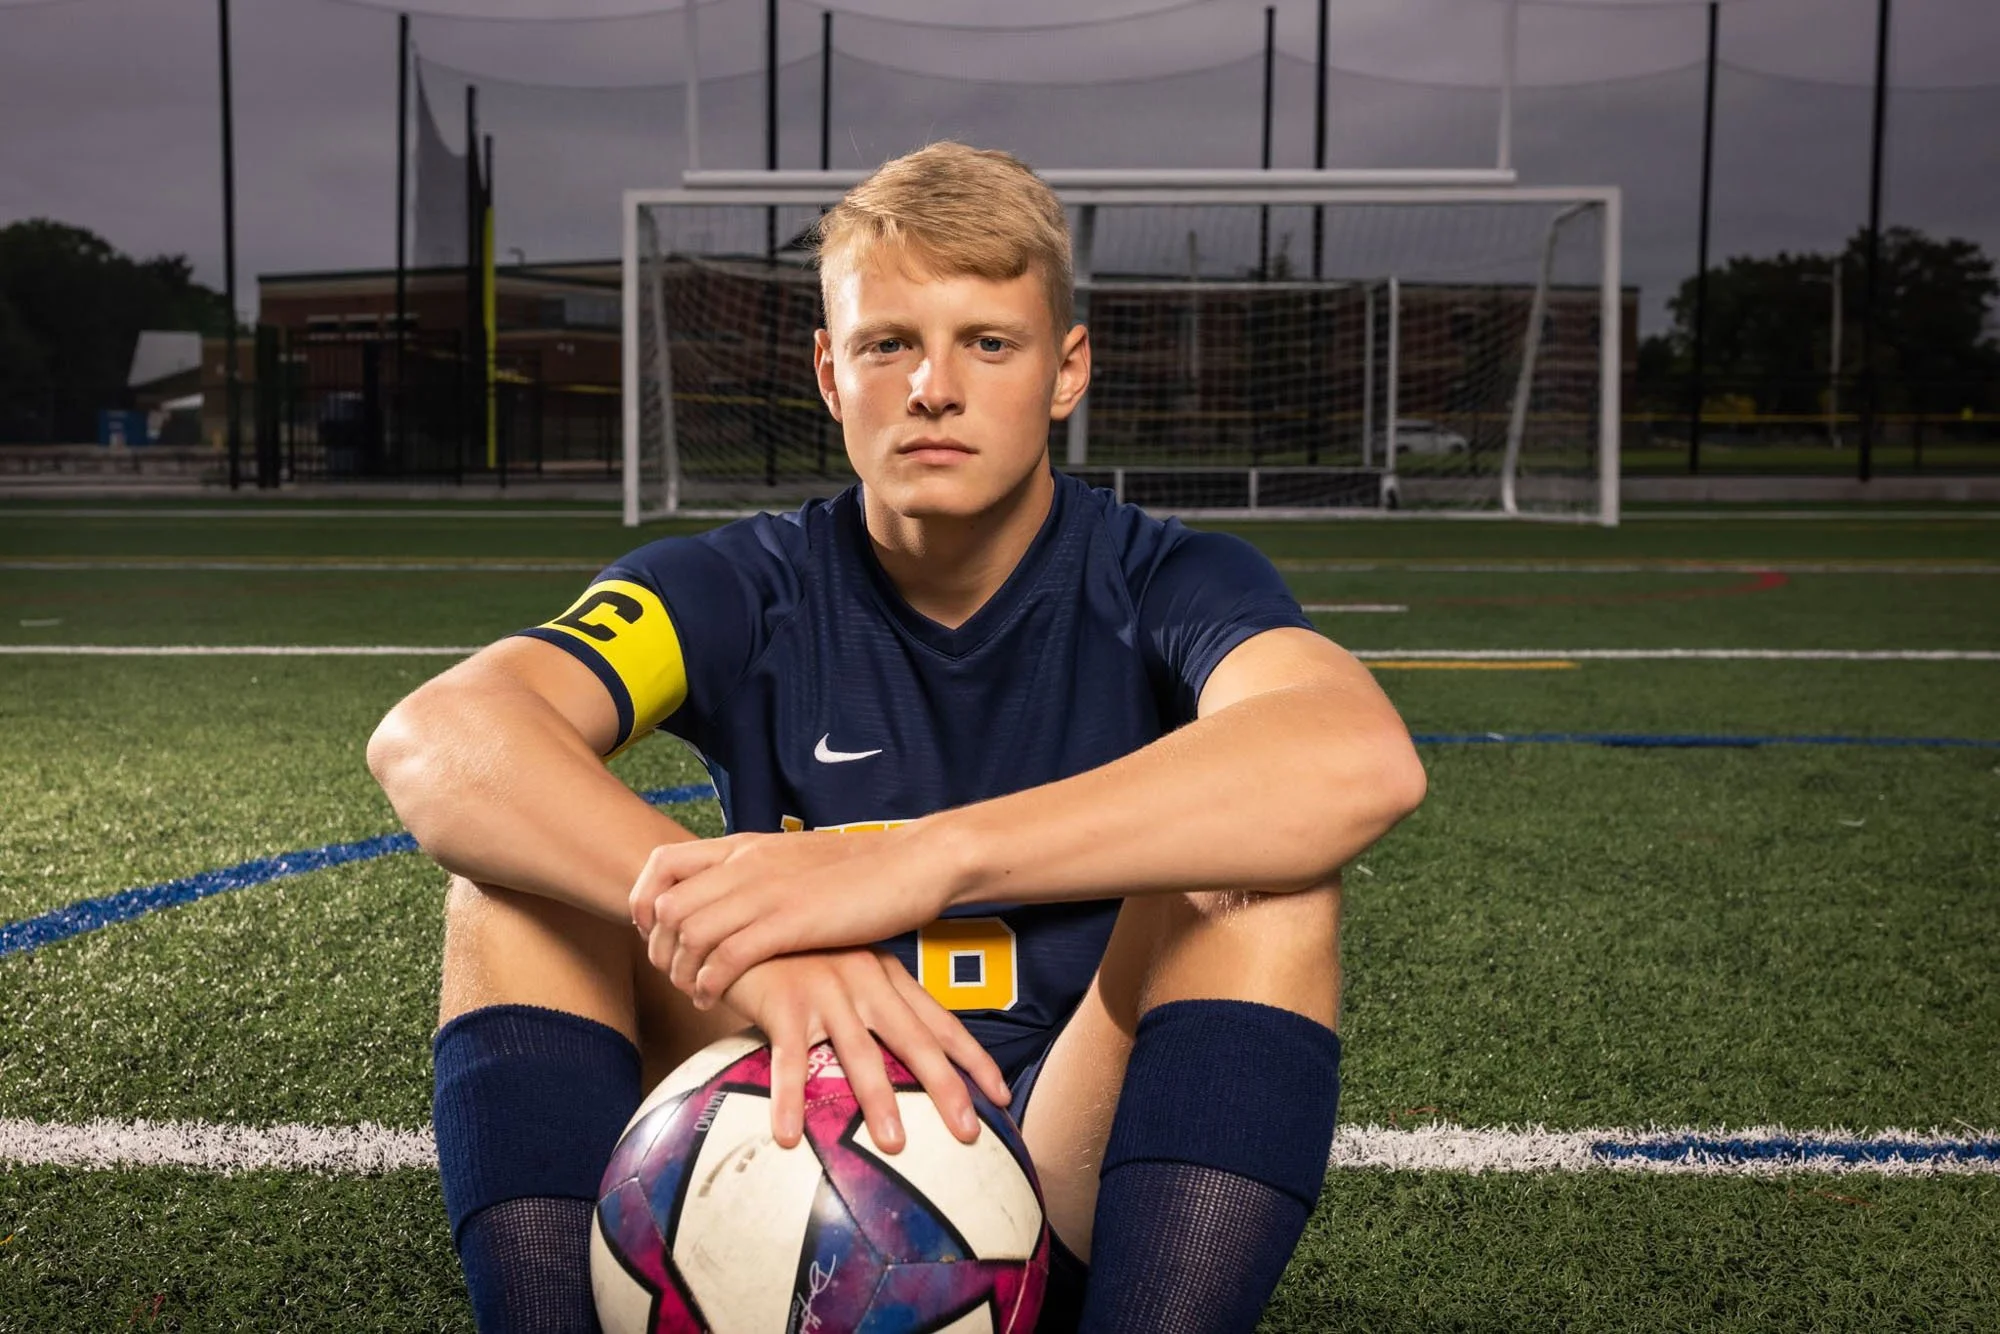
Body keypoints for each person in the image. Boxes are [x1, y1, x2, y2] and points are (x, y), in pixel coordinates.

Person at [368, 141, 1426, 1333]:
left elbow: (1354, 753)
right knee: (511, 892)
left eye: (987, 341)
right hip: (789, 1106)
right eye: (887, 344)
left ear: (1064, 369)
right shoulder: (741, 583)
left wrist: (918, 856)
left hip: (1056, 1148)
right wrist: (757, 948)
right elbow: (440, 733)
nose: (933, 386)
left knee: (1260, 883)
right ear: (830, 371)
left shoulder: (1166, 575)